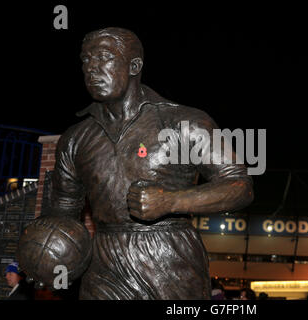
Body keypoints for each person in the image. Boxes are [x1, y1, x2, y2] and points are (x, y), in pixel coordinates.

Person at [46, 27, 253, 299]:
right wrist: (47, 250)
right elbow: (63, 211)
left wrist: (171, 201)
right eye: (86, 59)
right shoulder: (75, 138)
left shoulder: (185, 122)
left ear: (134, 66)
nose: (91, 68)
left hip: (171, 260)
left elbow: (240, 186)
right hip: (102, 264)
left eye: (104, 57)